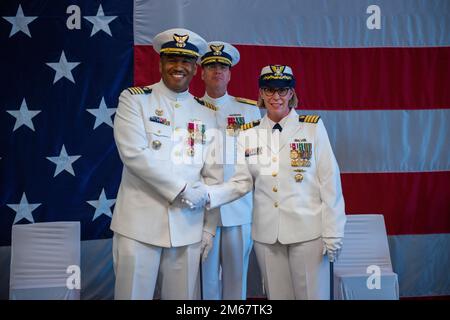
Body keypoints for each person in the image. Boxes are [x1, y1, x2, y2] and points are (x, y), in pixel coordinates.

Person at [201, 65, 346, 299]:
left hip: (308, 232)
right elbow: (241, 183)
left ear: (291, 93)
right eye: (269, 90)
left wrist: (334, 232)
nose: (276, 97)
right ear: (260, 93)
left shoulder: (311, 128)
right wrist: (208, 195)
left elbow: (330, 183)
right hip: (267, 235)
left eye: (282, 90)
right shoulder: (249, 133)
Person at [110, 28, 222, 300]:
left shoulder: (206, 113)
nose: (178, 67)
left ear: (196, 68)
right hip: (138, 227)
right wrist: (183, 190)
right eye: (172, 59)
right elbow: (134, 154)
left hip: (188, 228)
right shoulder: (135, 99)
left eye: (185, 61)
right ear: (160, 63)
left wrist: (209, 227)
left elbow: (213, 174)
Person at [198, 41, 261, 300]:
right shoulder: (189, 108)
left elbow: (258, 161)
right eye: (211, 65)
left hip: (238, 208)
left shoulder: (247, 110)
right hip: (202, 209)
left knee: (237, 282)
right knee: (205, 282)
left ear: (230, 73)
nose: (217, 71)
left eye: (222, 66)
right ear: (201, 72)